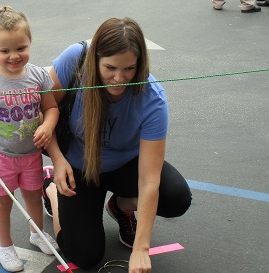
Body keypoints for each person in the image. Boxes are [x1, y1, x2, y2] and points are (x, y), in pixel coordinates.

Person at [42, 18, 192, 272]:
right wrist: (57, 160)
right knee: (84, 255)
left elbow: (148, 180)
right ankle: (52, 192)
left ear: (140, 63)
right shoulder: (75, 59)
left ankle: (121, 207)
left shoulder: (152, 99)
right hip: (78, 165)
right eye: (110, 68)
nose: (119, 78)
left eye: (129, 69)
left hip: (124, 166)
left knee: (176, 197)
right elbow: (45, 107)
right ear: (95, 59)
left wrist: (141, 249)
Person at [0, 6, 60, 272]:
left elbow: (50, 108)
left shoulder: (38, 75)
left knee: (32, 197)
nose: (14, 56)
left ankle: (37, 233)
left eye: (21, 48)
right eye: (5, 51)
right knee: (3, 202)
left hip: (30, 154)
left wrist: (49, 126)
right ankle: (5, 247)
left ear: (30, 43)